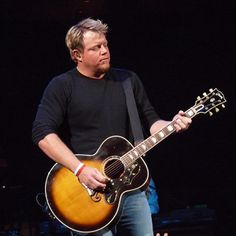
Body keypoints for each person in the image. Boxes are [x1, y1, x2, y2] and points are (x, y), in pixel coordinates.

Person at [32, 18, 192, 236]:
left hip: (131, 189)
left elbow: (152, 121)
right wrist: (80, 170)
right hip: (88, 192)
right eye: (95, 48)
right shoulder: (62, 85)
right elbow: (42, 134)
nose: (104, 51)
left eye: (105, 44)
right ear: (77, 55)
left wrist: (173, 124)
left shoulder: (128, 80)